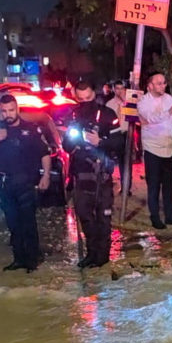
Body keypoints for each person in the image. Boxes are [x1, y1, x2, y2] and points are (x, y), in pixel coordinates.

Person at [0, 94, 51, 273]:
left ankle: (32, 260)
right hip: (6, 183)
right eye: (4, 111)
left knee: (28, 222)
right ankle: (19, 259)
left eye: (11, 110)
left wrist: (46, 176)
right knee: (13, 224)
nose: (8, 114)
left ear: (17, 109)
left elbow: (44, 154)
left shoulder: (30, 129)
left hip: (26, 182)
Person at [64, 79, 124, 267]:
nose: (85, 102)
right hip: (81, 175)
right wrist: (74, 138)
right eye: (81, 99)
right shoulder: (73, 115)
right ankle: (91, 253)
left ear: (94, 94)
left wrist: (100, 142)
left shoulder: (107, 114)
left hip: (102, 176)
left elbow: (119, 143)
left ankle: (102, 256)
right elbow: (66, 146)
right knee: (85, 216)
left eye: (88, 98)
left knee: (103, 217)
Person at [137, 72, 172, 230]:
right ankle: (155, 217)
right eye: (159, 83)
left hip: (169, 147)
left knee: (169, 184)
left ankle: (170, 215)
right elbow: (150, 118)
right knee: (153, 185)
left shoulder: (168, 99)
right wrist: (168, 112)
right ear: (150, 86)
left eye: (164, 83)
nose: (163, 86)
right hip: (152, 148)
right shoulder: (143, 101)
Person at [106, 79, 132, 195]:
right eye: (117, 88)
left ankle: (126, 187)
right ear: (113, 90)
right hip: (114, 134)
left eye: (122, 89)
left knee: (126, 162)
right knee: (113, 160)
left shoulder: (129, 103)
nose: (120, 91)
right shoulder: (110, 104)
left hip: (126, 133)